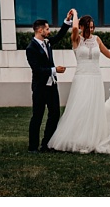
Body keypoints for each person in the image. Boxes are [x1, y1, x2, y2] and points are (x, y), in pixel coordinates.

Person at [45, 14, 110, 154]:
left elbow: (109, 54)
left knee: (94, 108)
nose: (91, 29)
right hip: (82, 78)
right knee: (81, 108)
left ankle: (93, 139)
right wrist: (75, 13)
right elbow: (75, 27)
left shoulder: (97, 39)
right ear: (82, 27)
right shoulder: (76, 39)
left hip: (95, 78)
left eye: (92, 27)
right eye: (88, 27)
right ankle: (78, 139)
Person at [25, 9, 75, 152]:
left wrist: (67, 21)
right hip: (40, 88)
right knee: (38, 116)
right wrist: (54, 70)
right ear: (40, 30)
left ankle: (47, 144)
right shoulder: (31, 48)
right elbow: (37, 70)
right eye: (47, 29)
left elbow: (59, 36)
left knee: (54, 114)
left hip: (52, 86)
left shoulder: (47, 42)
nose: (49, 31)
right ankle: (33, 147)